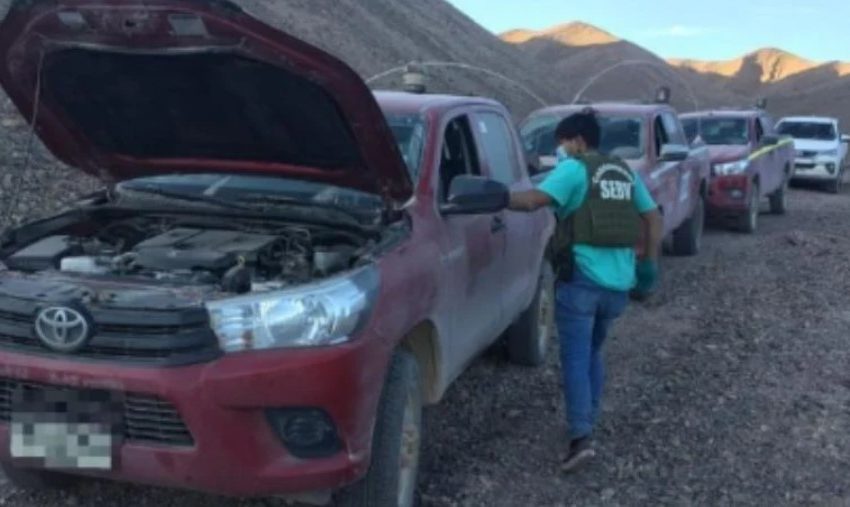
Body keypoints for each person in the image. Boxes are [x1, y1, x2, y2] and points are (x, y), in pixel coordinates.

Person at [508, 110, 662, 472]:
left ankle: (581, 437)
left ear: (577, 140)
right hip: (618, 286)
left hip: (582, 282)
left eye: (561, 142)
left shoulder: (574, 169)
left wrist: (498, 196)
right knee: (593, 350)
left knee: (576, 358)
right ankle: (589, 417)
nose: (560, 150)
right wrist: (649, 266)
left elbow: (532, 201)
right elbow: (653, 217)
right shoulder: (624, 171)